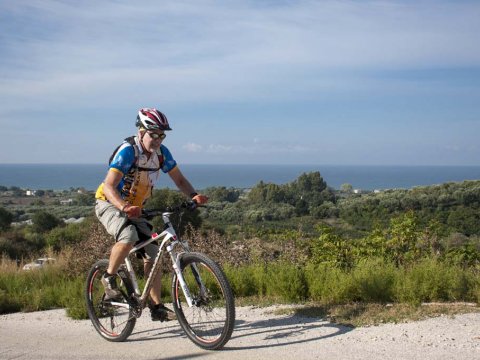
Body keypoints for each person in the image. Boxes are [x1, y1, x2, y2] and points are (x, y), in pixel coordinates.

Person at [95, 107, 208, 322]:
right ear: (141, 132)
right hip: (109, 203)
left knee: (154, 254)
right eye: (153, 134)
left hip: (136, 208)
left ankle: (157, 307)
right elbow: (109, 186)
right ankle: (108, 278)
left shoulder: (162, 154)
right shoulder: (128, 151)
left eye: (162, 135)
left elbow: (179, 180)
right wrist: (123, 207)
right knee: (128, 236)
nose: (157, 139)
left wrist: (194, 195)